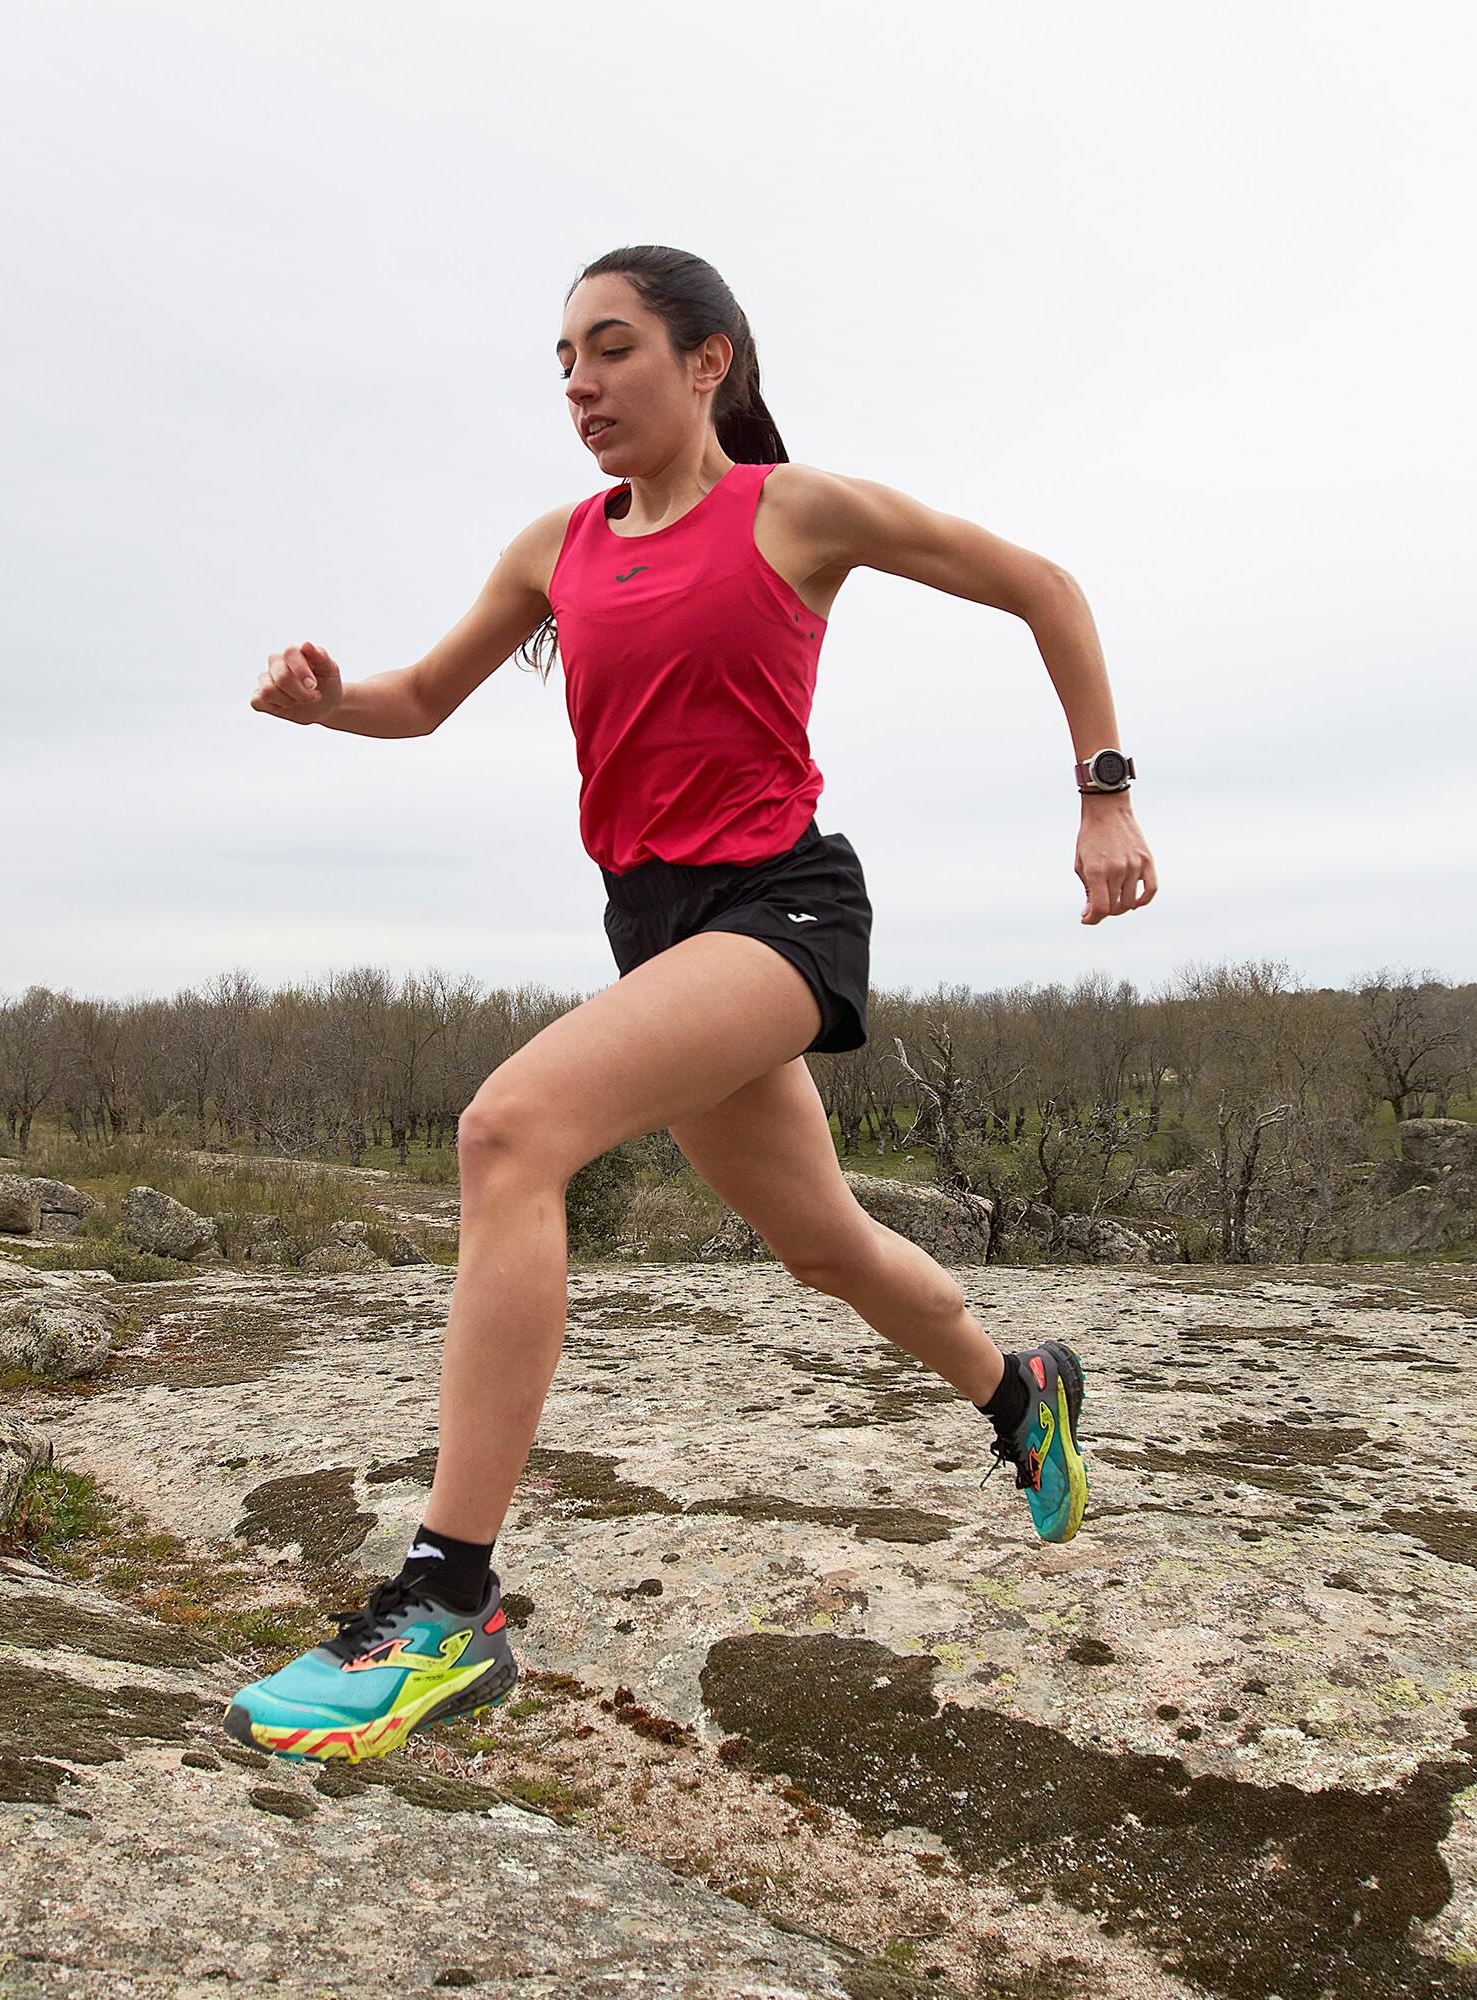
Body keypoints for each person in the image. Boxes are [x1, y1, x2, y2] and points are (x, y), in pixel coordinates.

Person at [225, 246, 1156, 1763]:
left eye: (613, 350)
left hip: (782, 908)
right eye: (564, 362)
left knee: (508, 1135)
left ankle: (447, 1607)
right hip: (655, 928)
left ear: (707, 360)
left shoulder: (794, 513)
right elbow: (416, 698)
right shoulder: (556, 545)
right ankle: (1019, 1387)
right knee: (822, 1243)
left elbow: (1041, 586)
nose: (581, 385)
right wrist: (327, 701)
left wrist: (1104, 798)